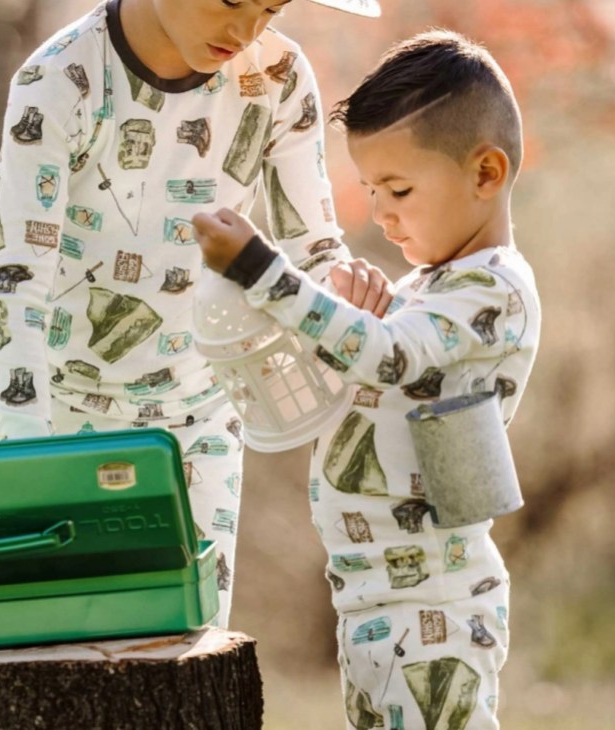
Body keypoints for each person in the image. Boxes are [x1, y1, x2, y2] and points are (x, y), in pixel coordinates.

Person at [0, 0, 393, 628]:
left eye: (271, 7)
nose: (247, 30)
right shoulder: (61, 78)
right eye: (230, 1)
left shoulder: (277, 78)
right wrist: (24, 453)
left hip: (201, 418)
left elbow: (312, 246)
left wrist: (346, 294)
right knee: (62, 651)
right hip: (62, 417)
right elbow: (16, 278)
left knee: (186, 648)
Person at [193, 29, 541, 728]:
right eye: (370, 190)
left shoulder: (492, 291)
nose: (381, 213)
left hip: (435, 608)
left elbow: (389, 356)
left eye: (400, 189)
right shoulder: (426, 286)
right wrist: (348, 314)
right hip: (371, 599)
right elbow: (372, 378)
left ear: (485, 174)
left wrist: (265, 272)